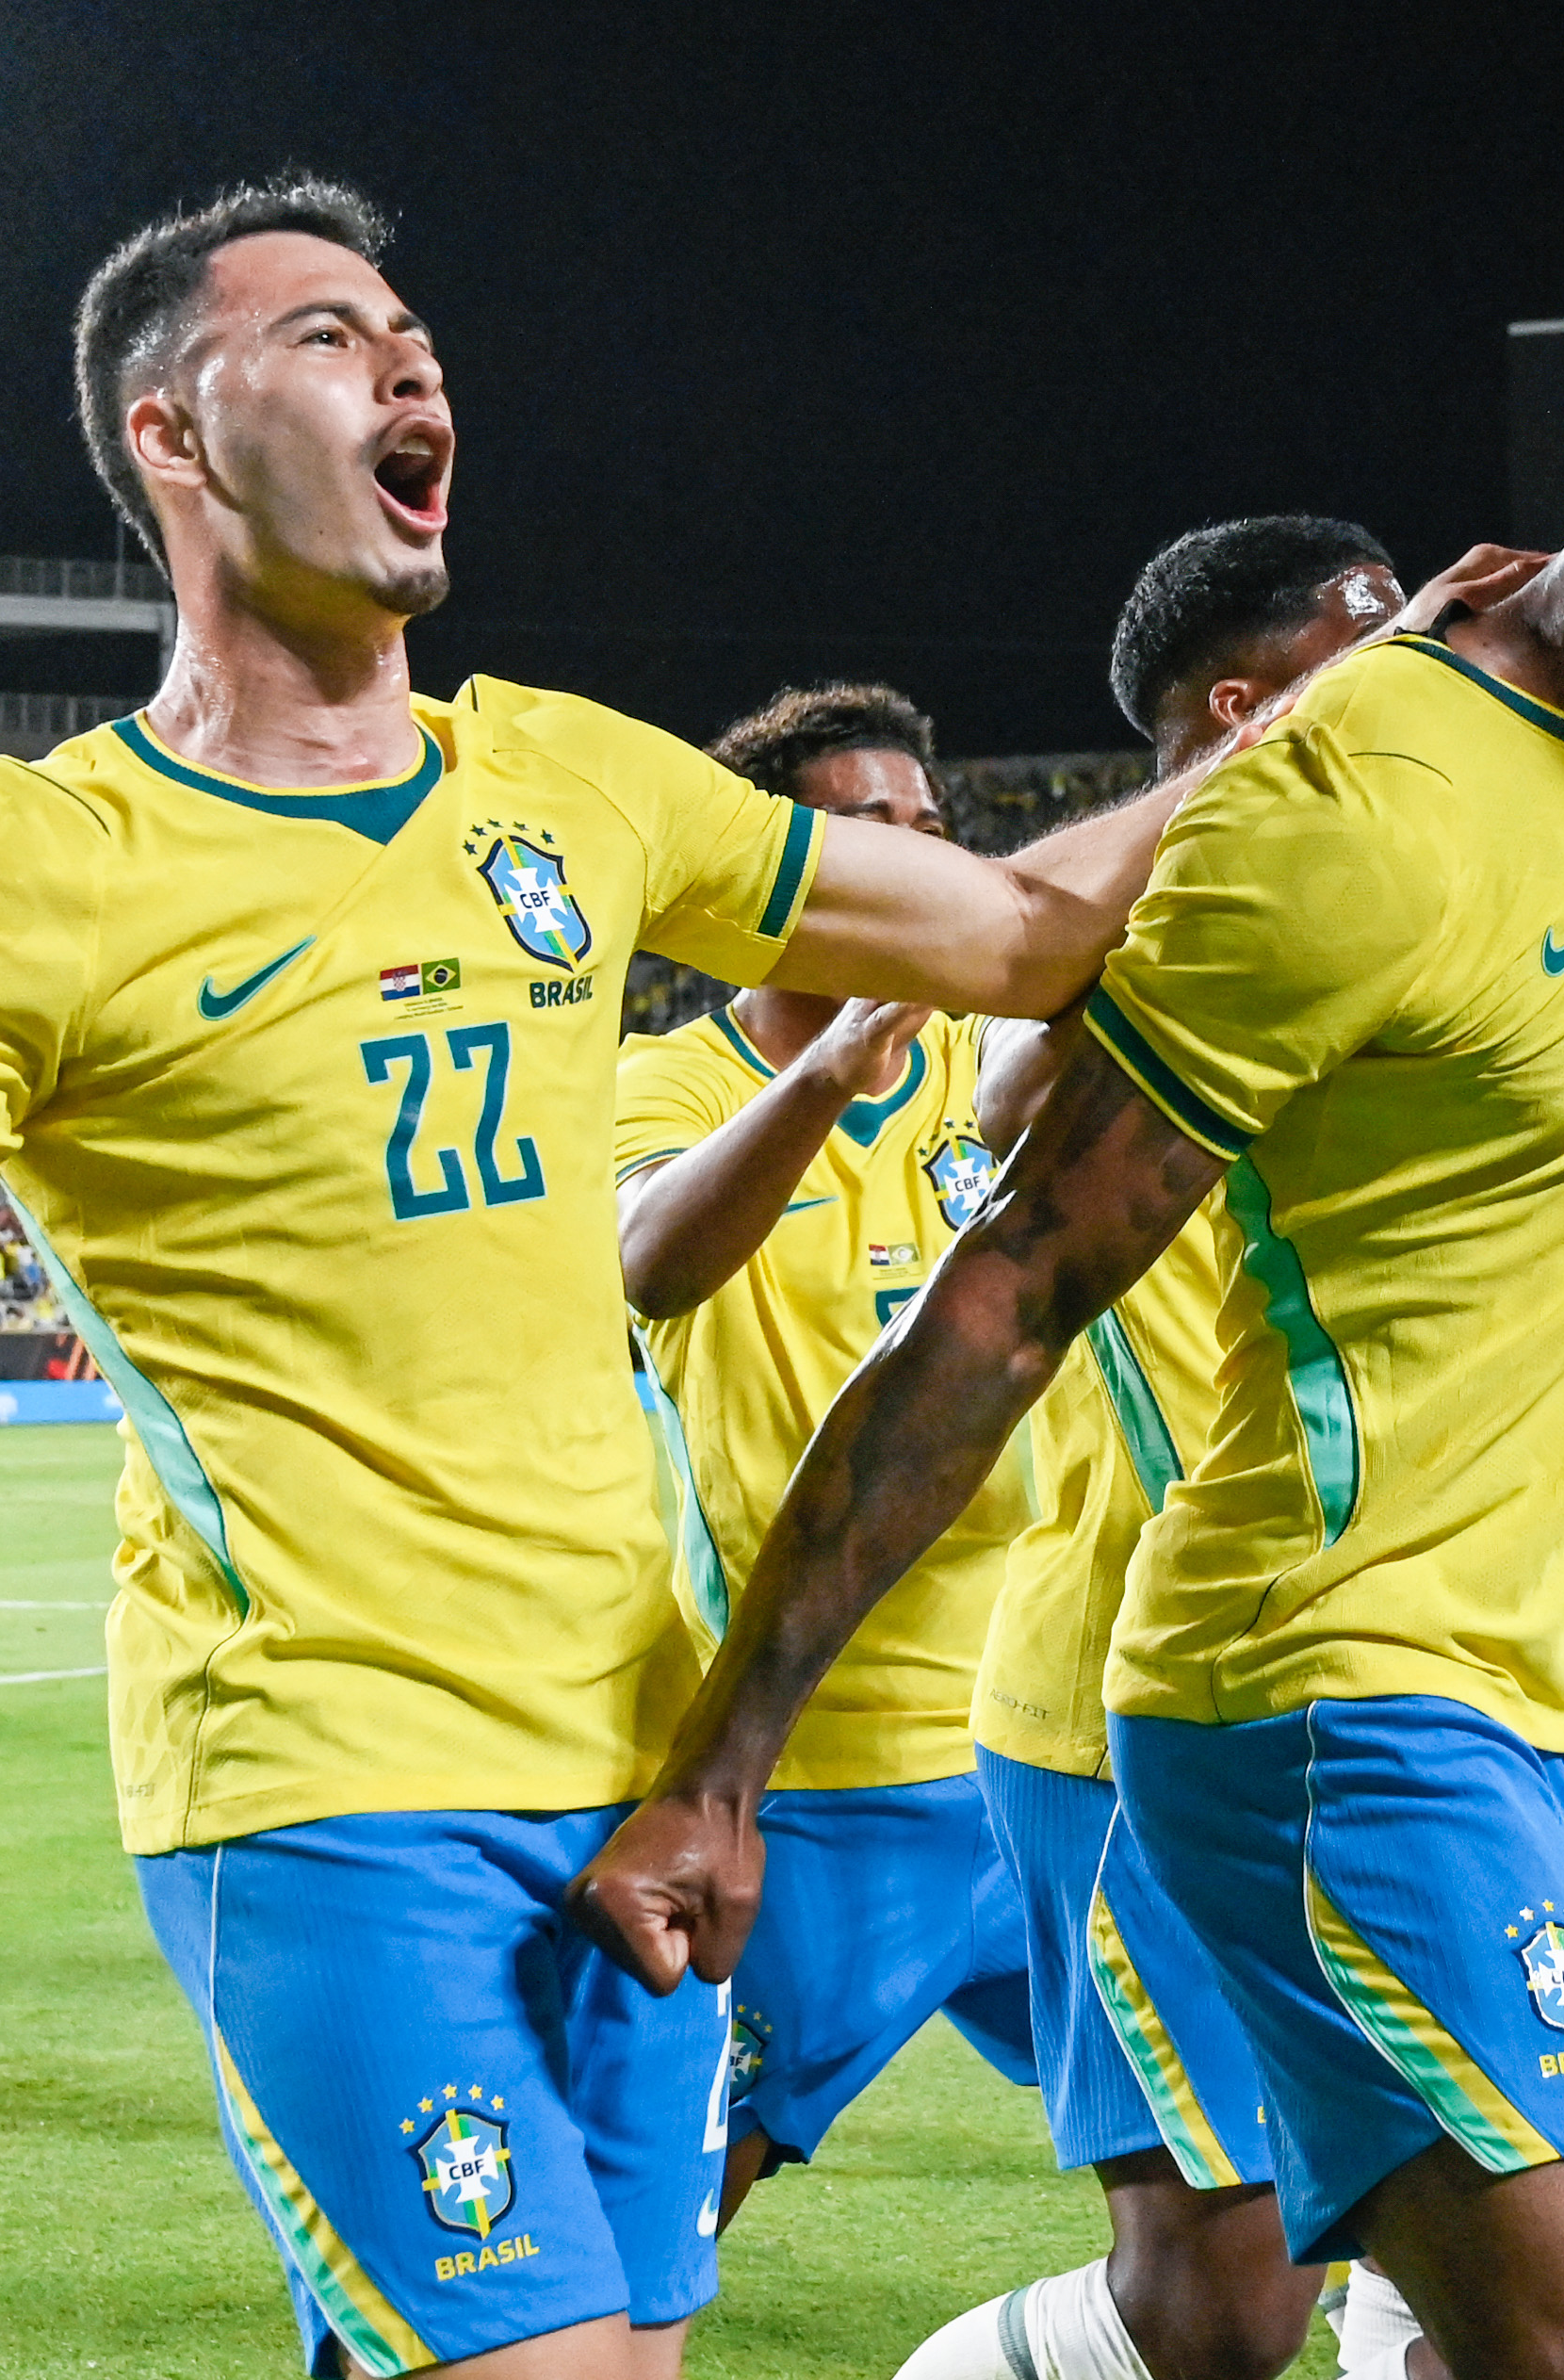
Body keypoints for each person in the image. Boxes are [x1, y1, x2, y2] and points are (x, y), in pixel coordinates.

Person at [0, 173, 1182, 2380]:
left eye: (415, 338)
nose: (409, 364)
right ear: (170, 434)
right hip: (324, 1768)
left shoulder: (567, 785)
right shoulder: (30, 875)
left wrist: (1366, 717)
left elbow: (1025, 930)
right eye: (325, 335)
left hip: (636, 1758)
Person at [571, 218, 1564, 2380]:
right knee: (1433, 2329)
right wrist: (722, 1760)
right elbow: (1012, 1275)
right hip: (1324, 1684)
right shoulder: (1368, 796)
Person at [904, 514, 1417, 2380]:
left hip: (1391, 1678)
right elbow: (1003, 1088)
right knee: (1216, 2307)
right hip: (1132, 1701)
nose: (1424, 685)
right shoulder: (1127, 949)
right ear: (1243, 708)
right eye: (1374, 657)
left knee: (1506, 2231)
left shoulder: (1388, 903)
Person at [613, 681, 1041, 2241]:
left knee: (1243, 2203)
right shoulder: (666, 1085)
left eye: (933, 827)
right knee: (660, 2217)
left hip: (1041, 1742)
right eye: (871, 829)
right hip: (812, 1772)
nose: (923, 856)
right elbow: (650, 1260)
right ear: (771, 868)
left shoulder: (995, 1071)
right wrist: (824, 1074)